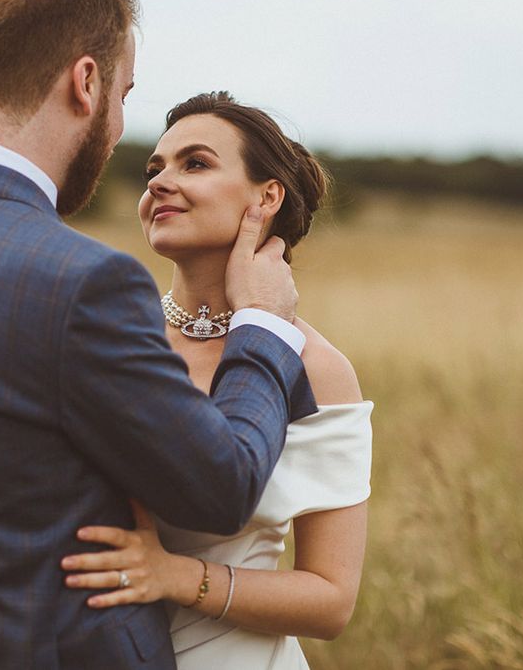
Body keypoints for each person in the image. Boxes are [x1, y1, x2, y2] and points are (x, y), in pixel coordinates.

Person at [0, 0, 317, 669]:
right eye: (123, 97)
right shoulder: (86, 280)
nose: (118, 127)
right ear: (85, 83)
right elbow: (222, 486)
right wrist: (264, 324)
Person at [62, 92, 373, 669]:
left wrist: (177, 577)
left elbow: (331, 600)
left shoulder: (316, 368)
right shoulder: (115, 339)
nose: (159, 182)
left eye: (195, 163)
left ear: (267, 196)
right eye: (154, 169)